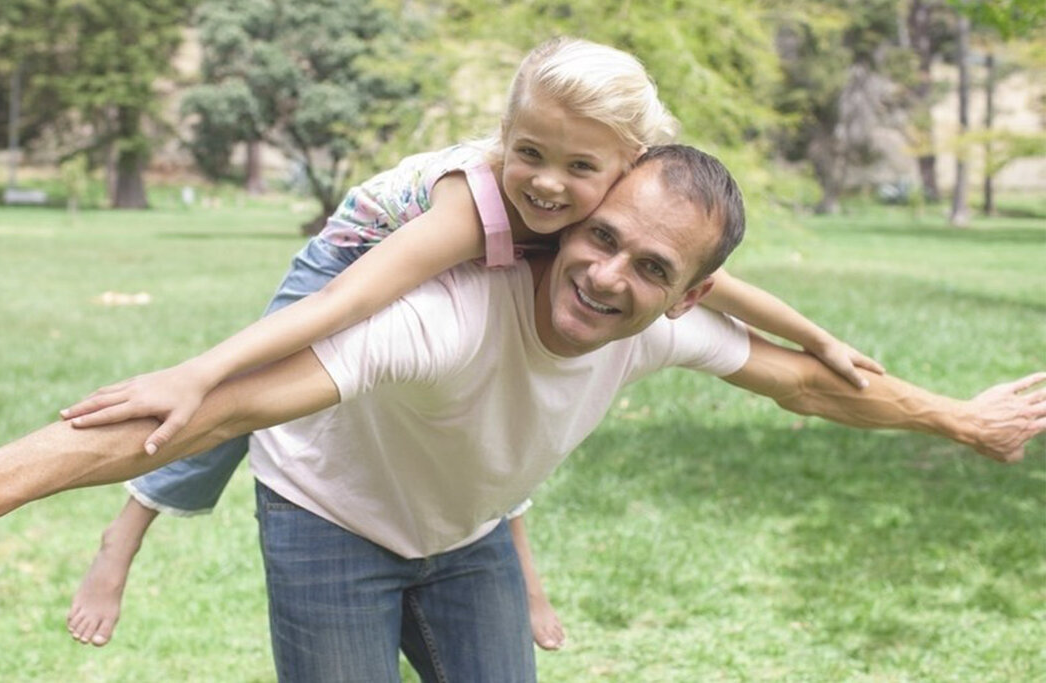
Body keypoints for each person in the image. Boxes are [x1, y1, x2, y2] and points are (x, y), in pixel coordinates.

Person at [0, 147, 1040, 682]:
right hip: (329, 522)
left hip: (466, 537)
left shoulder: (670, 326)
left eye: (653, 269)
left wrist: (963, 420)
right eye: (600, 238)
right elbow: (217, 405)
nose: (611, 277)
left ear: (692, 291)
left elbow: (818, 380)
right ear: (562, 224)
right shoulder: (447, 314)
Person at [59, 37, 880, 650]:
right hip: (351, 263)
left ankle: (516, 574)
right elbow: (353, 296)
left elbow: (714, 280)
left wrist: (820, 337)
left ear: (628, 168)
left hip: (449, 309)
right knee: (233, 408)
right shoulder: (472, 206)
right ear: (504, 136)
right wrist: (199, 370)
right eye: (528, 153)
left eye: (578, 166)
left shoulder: (613, 218)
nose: (548, 183)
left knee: (493, 393)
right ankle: (123, 537)